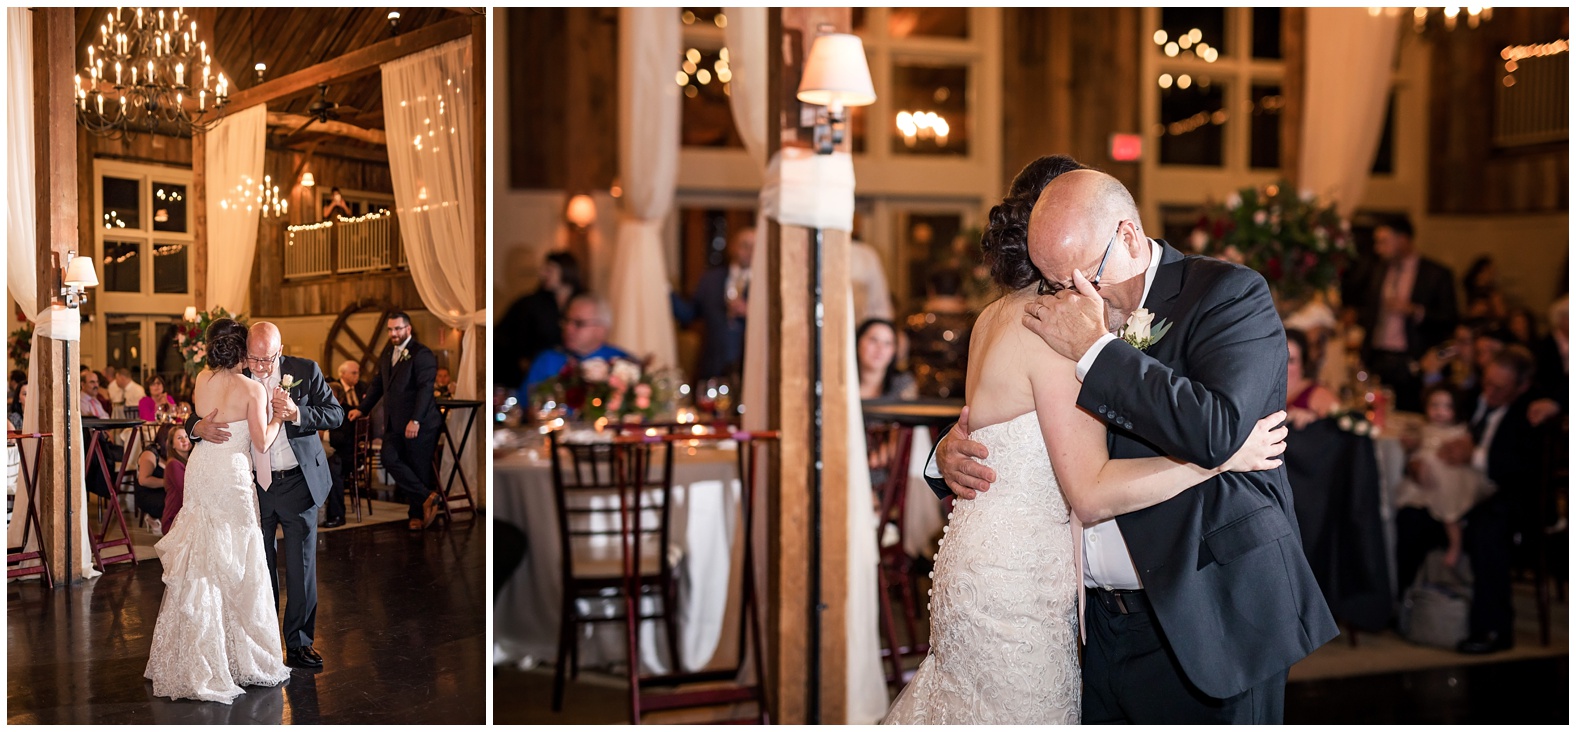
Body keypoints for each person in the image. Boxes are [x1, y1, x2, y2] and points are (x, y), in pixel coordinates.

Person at [887, 158, 1294, 725]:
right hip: (1094, 619)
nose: (1075, 293)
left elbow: (1218, 428)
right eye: (1055, 278)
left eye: (1082, 273)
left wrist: (1098, 350)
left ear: (1125, 232)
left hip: (1203, 610)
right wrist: (949, 450)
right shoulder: (1050, 318)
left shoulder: (1225, 294)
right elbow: (1030, 435)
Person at [146, 318, 293, 702]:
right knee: (237, 561)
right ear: (243, 351)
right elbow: (261, 444)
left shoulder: (201, 382)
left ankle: (199, 657)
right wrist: (278, 415)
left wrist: (198, 428)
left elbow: (203, 420)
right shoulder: (252, 390)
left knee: (202, 561)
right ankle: (238, 657)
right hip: (230, 477)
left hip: (202, 469)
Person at [188, 320, 343, 670]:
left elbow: (336, 414)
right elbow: (196, 412)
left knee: (301, 567)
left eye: (266, 360)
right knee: (259, 567)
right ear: (244, 353)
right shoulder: (233, 375)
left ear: (280, 351)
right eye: (253, 359)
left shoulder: (306, 369)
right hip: (252, 485)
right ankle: (264, 642)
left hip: (297, 481)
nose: (259, 368)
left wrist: (298, 414)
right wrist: (195, 427)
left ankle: (300, 642)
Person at [1437, 345, 1545, 653]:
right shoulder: (1476, 397)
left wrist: (1475, 457)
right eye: (1488, 383)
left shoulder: (1530, 411)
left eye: (1500, 388)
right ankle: (1411, 607)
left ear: (1521, 386)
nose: (1490, 391)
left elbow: (1522, 468)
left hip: (1510, 496)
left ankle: (1494, 628)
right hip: (1464, 486)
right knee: (1413, 513)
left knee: (1488, 528)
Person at [348, 312, 444, 531]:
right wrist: (361, 409)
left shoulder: (422, 354)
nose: (393, 333)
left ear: (408, 329)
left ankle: (416, 515)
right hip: (395, 423)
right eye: (390, 329)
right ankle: (427, 496)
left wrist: (416, 420)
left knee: (417, 466)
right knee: (389, 458)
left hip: (420, 423)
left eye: (397, 329)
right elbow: (377, 384)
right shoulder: (388, 352)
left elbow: (425, 389)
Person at [1352, 216, 1458, 412]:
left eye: (1384, 241)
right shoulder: (1378, 270)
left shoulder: (1435, 274)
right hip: (1379, 358)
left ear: (1402, 240)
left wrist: (1415, 311)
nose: (1378, 248)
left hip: (1413, 361)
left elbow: (1450, 318)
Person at [1394, 385, 1493, 596]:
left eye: (1447, 406)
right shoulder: (1425, 428)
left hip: (1450, 483)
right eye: (1435, 405)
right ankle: (1404, 593)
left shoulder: (1460, 431)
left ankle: (1455, 545)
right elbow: (1416, 448)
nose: (1440, 411)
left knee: (1450, 511)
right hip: (1424, 487)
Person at [495, 251, 586, 392]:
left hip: (575, 375)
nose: (543, 274)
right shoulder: (529, 304)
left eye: (549, 269)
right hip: (538, 377)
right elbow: (509, 341)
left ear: (566, 270)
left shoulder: (584, 304)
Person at [517, 294, 634, 401]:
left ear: (601, 330)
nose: (568, 328)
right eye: (566, 321)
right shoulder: (547, 360)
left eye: (578, 323)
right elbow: (524, 407)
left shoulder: (622, 363)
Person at [674, 226, 753, 383]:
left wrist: (750, 312)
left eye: (755, 247)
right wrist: (664, 291)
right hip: (713, 365)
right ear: (733, 247)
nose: (751, 251)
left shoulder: (766, 285)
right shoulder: (711, 279)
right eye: (745, 245)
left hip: (749, 366)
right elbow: (689, 314)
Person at [325, 359, 368, 529]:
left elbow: (341, 439)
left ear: (339, 398)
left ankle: (337, 514)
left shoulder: (348, 412)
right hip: (330, 453)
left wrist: (323, 434)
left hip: (347, 457)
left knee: (332, 466)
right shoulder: (324, 410)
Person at [1286, 329, 1339, 429]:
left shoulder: (1317, 393)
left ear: (1302, 365)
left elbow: (1342, 427)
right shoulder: (1263, 392)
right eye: (1280, 359)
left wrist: (1314, 421)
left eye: (1291, 361)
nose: (1284, 366)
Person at [856, 319, 916, 400]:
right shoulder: (841, 383)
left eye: (887, 343)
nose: (880, 348)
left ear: (894, 351)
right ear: (858, 343)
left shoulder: (903, 385)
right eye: (873, 340)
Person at [135, 424, 175, 534]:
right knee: (173, 502)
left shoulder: (176, 452)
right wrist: (169, 483)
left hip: (166, 491)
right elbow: (143, 480)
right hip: (149, 493)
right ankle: (154, 518)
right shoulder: (150, 453)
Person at [159, 425, 193, 534]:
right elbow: (185, 490)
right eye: (179, 438)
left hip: (185, 515)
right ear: (172, 444)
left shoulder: (190, 461)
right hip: (174, 519)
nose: (184, 440)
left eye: (186, 436)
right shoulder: (173, 464)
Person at [1462, 256, 1506, 321]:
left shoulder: (1493, 294)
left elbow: (1502, 314)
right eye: (1488, 271)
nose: (1491, 275)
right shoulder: (1466, 291)